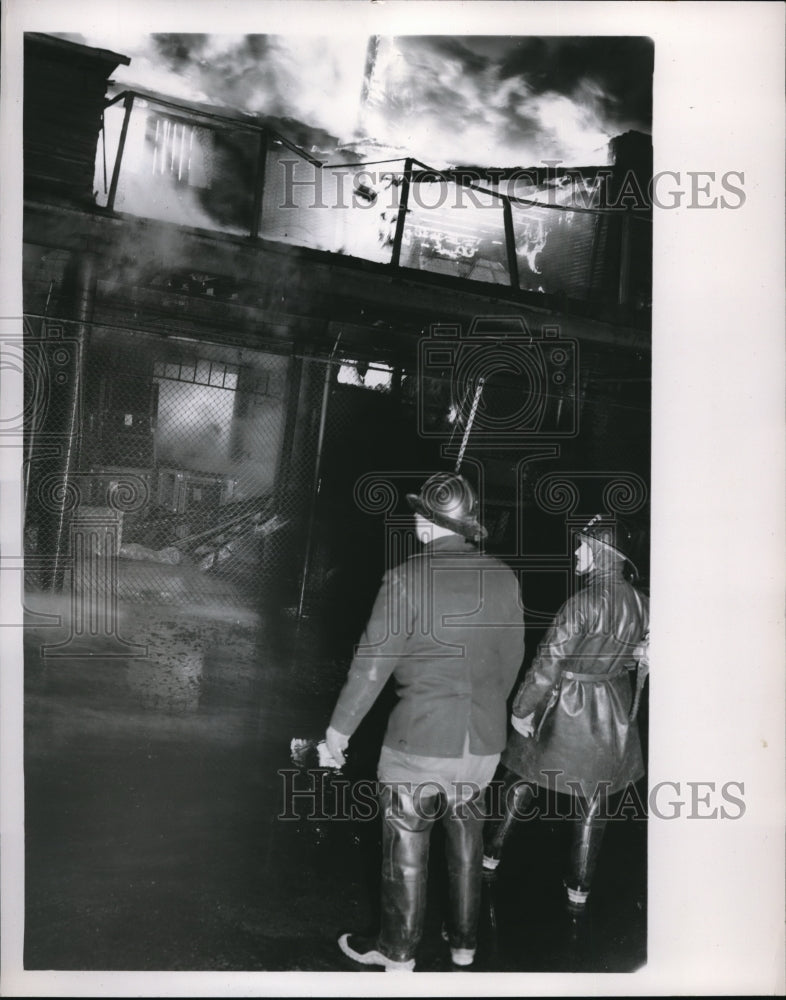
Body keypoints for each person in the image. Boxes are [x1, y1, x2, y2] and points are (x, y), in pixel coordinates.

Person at [324, 472, 525, 971]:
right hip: (482, 746)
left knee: (406, 842)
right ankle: (463, 946)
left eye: (420, 511)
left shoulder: (405, 578)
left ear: (431, 523)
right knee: (465, 842)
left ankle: (397, 953)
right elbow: (513, 658)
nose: (414, 517)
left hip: (420, 740)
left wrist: (338, 732)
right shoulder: (503, 576)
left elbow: (371, 665)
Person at [482, 513, 650, 915]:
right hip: (612, 707)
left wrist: (522, 708)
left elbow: (548, 663)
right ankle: (579, 889)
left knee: (521, 777)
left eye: (584, 546)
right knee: (596, 799)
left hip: (565, 705)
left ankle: (488, 856)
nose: (576, 552)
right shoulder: (642, 603)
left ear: (602, 553)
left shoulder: (582, 603)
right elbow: (632, 657)